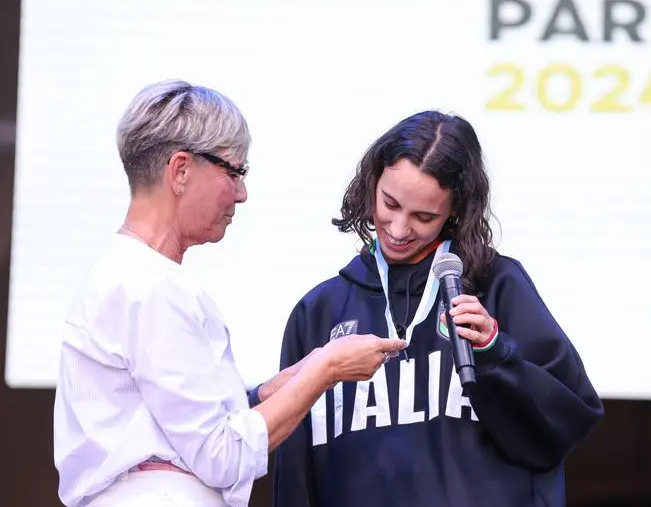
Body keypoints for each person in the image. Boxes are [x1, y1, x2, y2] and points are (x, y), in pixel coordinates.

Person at [53, 80, 406, 507]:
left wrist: (268, 391)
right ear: (181, 170)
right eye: (235, 171)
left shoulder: (123, 274)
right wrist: (327, 368)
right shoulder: (150, 285)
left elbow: (173, 421)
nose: (241, 192)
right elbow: (222, 455)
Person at [269, 110, 604, 507]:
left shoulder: (497, 287)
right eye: (389, 203)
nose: (397, 228)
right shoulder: (319, 312)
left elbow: (563, 425)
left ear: (456, 212)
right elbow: (294, 472)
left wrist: (497, 354)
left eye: (423, 216)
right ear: (371, 182)